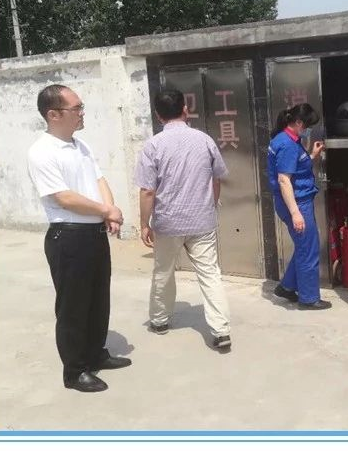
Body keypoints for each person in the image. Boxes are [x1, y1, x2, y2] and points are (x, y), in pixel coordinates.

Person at [27, 84, 131, 393]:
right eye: (76, 108)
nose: (82, 113)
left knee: (98, 299)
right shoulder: (42, 152)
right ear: (53, 114)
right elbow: (63, 197)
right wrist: (106, 210)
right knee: (73, 306)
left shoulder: (80, 145)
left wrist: (109, 211)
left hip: (94, 234)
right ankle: (74, 371)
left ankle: (95, 354)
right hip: (69, 237)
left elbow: (99, 179)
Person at [134, 90, 232, 349]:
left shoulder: (153, 145)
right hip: (202, 221)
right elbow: (217, 179)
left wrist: (144, 224)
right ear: (186, 110)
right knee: (210, 274)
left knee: (163, 271)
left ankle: (159, 320)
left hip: (168, 222)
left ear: (158, 115)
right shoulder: (204, 140)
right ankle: (221, 331)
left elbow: (147, 190)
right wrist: (210, 206)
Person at [267, 103, 330, 310]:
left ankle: (286, 287)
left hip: (297, 201)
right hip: (296, 203)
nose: (309, 130)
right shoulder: (287, 144)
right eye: (308, 126)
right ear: (299, 122)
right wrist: (295, 213)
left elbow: (294, 167)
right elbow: (284, 180)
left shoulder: (288, 140)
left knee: (305, 246)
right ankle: (309, 298)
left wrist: (311, 156)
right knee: (309, 249)